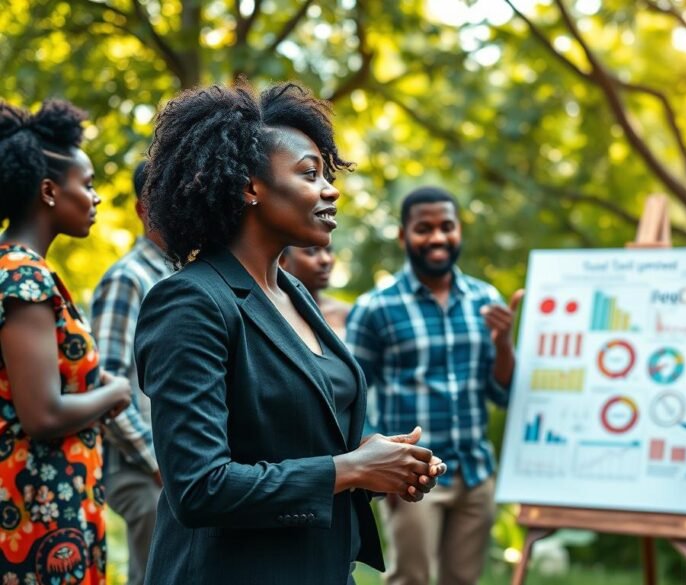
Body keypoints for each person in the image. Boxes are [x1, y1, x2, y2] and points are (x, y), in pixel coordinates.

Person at [134, 82, 445, 585]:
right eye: (309, 173)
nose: (331, 189)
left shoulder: (294, 294)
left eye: (327, 173)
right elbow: (198, 487)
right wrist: (352, 468)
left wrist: (384, 462)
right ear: (249, 186)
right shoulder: (190, 303)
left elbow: (290, 437)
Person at [346, 186, 522, 585]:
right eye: (424, 228)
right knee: (413, 579)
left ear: (459, 230)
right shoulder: (375, 308)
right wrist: (378, 463)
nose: (438, 237)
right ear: (403, 236)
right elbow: (351, 394)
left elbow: (503, 393)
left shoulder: (486, 299)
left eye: (447, 226)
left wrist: (504, 346)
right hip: (413, 475)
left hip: (475, 472)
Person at [0, 100, 132, 583]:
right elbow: (43, 415)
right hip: (37, 512)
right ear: (50, 191)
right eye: (89, 184)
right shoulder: (23, 279)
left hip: (54, 503)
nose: (95, 197)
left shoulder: (24, 272)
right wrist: (113, 394)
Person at [90, 160, 171, 585]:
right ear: (143, 210)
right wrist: (157, 461)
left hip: (179, 467)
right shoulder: (129, 279)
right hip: (140, 471)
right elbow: (107, 382)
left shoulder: (182, 275)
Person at [280, 245, 350, 337]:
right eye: (311, 252)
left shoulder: (348, 314)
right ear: (282, 260)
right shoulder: (274, 313)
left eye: (329, 251)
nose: (326, 259)